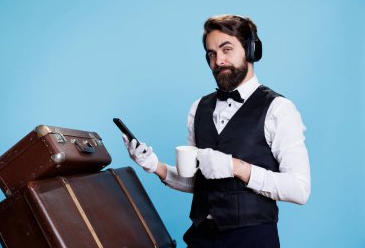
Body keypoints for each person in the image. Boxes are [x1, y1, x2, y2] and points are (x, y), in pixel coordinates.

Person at [122, 14, 311, 248]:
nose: (218, 61)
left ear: (251, 51)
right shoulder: (197, 108)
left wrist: (236, 167)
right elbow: (197, 183)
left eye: (226, 49)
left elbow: (300, 189)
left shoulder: (279, 109)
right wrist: (155, 166)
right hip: (201, 237)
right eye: (211, 54)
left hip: (252, 240)